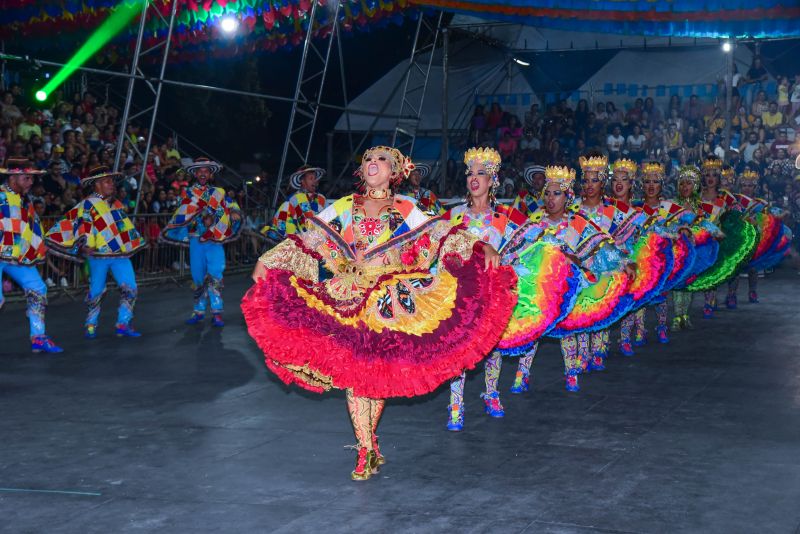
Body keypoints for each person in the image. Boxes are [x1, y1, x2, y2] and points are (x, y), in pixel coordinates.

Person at [242, 146, 516, 480]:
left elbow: (443, 233)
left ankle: (369, 440)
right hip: (348, 297)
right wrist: (268, 260)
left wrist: (480, 245)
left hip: (389, 302)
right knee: (355, 378)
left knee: (375, 377)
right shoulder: (345, 206)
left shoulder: (406, 209)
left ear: (396, 171)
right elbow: (307, 239)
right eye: (368, 158)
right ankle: (365, 448)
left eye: (382, 159)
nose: (373, 162)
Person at [443, 148, 580, 430]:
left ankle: (491, 392)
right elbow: (438, 248)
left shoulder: (507, 217)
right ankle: (456, 404)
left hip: (493, 292)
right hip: (459, 293)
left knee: (493, 347)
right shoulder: (454, 215)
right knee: (459, 350)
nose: (473, 178)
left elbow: (536, 241)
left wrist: (559, 258)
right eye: (470, 173)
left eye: (481, 173)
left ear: (493, 180)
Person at [531, 165, 633, 391]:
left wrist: (623, 262)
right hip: (544, 283)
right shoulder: (537, 220)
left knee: (582, 318)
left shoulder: (598, 214)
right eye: (547, 193)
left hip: (579, 278)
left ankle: (580, 363)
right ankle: (522, 373)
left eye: (594, 180)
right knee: (533, 325)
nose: (589, 185)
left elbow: (605, 245)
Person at [45, 165, 147, 338]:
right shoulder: (88, 204)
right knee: (97, 291)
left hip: (119, 255)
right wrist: (83, 244)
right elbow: (81, 227)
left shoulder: (114, 204)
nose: (112, 185)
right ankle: (91, 323)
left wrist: (133, 241)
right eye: (107, 181)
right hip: (98, 256)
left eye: (112, 182)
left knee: (131, 288)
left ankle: (123, 323)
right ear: (96, 184)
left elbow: (123, 227)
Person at [161, 157, 242, 327]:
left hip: (214, 241)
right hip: (196, 240)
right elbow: (185, 213)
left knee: (215, 275)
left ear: (210, 174)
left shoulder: (219, 192)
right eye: (200, 171)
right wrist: (201, 218)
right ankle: (198, 310)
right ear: (195, 174)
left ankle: (217, 312)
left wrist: (234, 211)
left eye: (206, 170)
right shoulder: (189, 193)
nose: (203, 173)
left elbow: (230, 204)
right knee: (198, 277)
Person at [0, 157, 63, 353]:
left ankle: (38, 336)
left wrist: (41, 246)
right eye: (27, 178)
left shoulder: (24, 200)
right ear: (13, 177)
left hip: (15, 256)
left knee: (37, 288)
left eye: (32, 179)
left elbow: (29, 229)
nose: (31, 183)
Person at [263, 165, 327, 240]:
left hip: (320, 240)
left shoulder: (322, 198)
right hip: (300, 242)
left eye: (315, 179)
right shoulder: (295, 199)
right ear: (302, 181)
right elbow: (282, 220)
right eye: (311, 178)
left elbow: (328, 217)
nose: (315, 181)